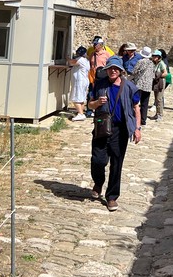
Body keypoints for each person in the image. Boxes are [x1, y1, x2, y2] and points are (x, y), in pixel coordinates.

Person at [88, 55, 142, 212]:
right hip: (102, 126)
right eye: (110, 68)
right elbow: (90, 105)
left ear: (121, 71)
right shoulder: (99, 85)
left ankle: (111, 197)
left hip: (120, 130)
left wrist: (137, 128)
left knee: (117, 163)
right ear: (106, 70)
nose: (113, 71)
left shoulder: (130, 87)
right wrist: (97, 103)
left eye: (116, 68)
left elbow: (136, 108)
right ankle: (98, 182)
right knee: (98, 160)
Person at [129, 47, 154, 128]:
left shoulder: (140, 61)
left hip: (139, 85)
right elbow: (153, 75)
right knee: (145, 104)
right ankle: (143, 120)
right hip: (148, 86)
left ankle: (134, 118)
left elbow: (134, 72)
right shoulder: (151, 63)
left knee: (135, 102)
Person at [66, 45, 90, 121]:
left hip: (79, 81)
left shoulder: (80, 60)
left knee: (75, 98)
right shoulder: (86, 60)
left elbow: (71, 62)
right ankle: (81, 112)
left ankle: (80, 114)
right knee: (81, 98)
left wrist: (67, 57)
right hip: (84, 81)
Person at [150, 48, 168, 122]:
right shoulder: (154, 63)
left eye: (156, 56)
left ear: (159, 57)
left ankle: (160, 114)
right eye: (153, 56)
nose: (154, 57)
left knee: (159, 98)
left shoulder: (161, 64)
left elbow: (165, 73)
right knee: (156, 98)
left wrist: (158, 76)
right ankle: (157, 114)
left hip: (160, 82)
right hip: (156, 82)